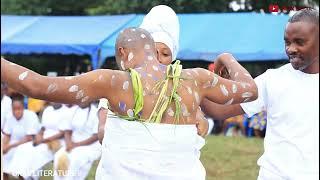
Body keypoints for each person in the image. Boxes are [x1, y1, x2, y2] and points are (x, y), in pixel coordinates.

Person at [1, 27, 258, 179]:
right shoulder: (197, 78)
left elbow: (34, 85)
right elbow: (250, 90)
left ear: (123, 53)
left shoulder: (111, 82)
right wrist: (227, 58)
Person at [201, 8, 319, 180]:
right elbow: (218, 110)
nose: (291, 49)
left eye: (300, 42)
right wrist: (196, 84)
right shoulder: (272, 80)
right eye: (287, 42)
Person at [97, 5, 208, 145]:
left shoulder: (180, 88)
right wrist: (105, 130)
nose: (158, 58)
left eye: (165, 54)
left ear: (172, 59)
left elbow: (196, 115)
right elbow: (103, 129)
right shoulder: (118, 84)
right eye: (153, 52)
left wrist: (199, 119)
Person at [53, 103, 100, 180]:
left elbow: (95, 136)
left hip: (90, 146)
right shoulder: (73, 111)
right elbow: (67, 130)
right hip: (72, 143)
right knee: (58, 155)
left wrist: (76, 145)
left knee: (74, 159)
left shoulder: (96, 112)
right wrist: (68, 143)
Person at [2, 93, 41, 180]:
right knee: (3, 155)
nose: (16, 112)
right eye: (14, 109)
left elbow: (29, 138)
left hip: (28, 144)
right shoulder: (9, 117)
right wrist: (4, 146)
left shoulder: (31, 116)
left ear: (23, 108)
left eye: (19, 109)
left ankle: (22, 177)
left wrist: (9, 146)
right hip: (13, 143)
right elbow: (7, 135)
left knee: (22, 154)